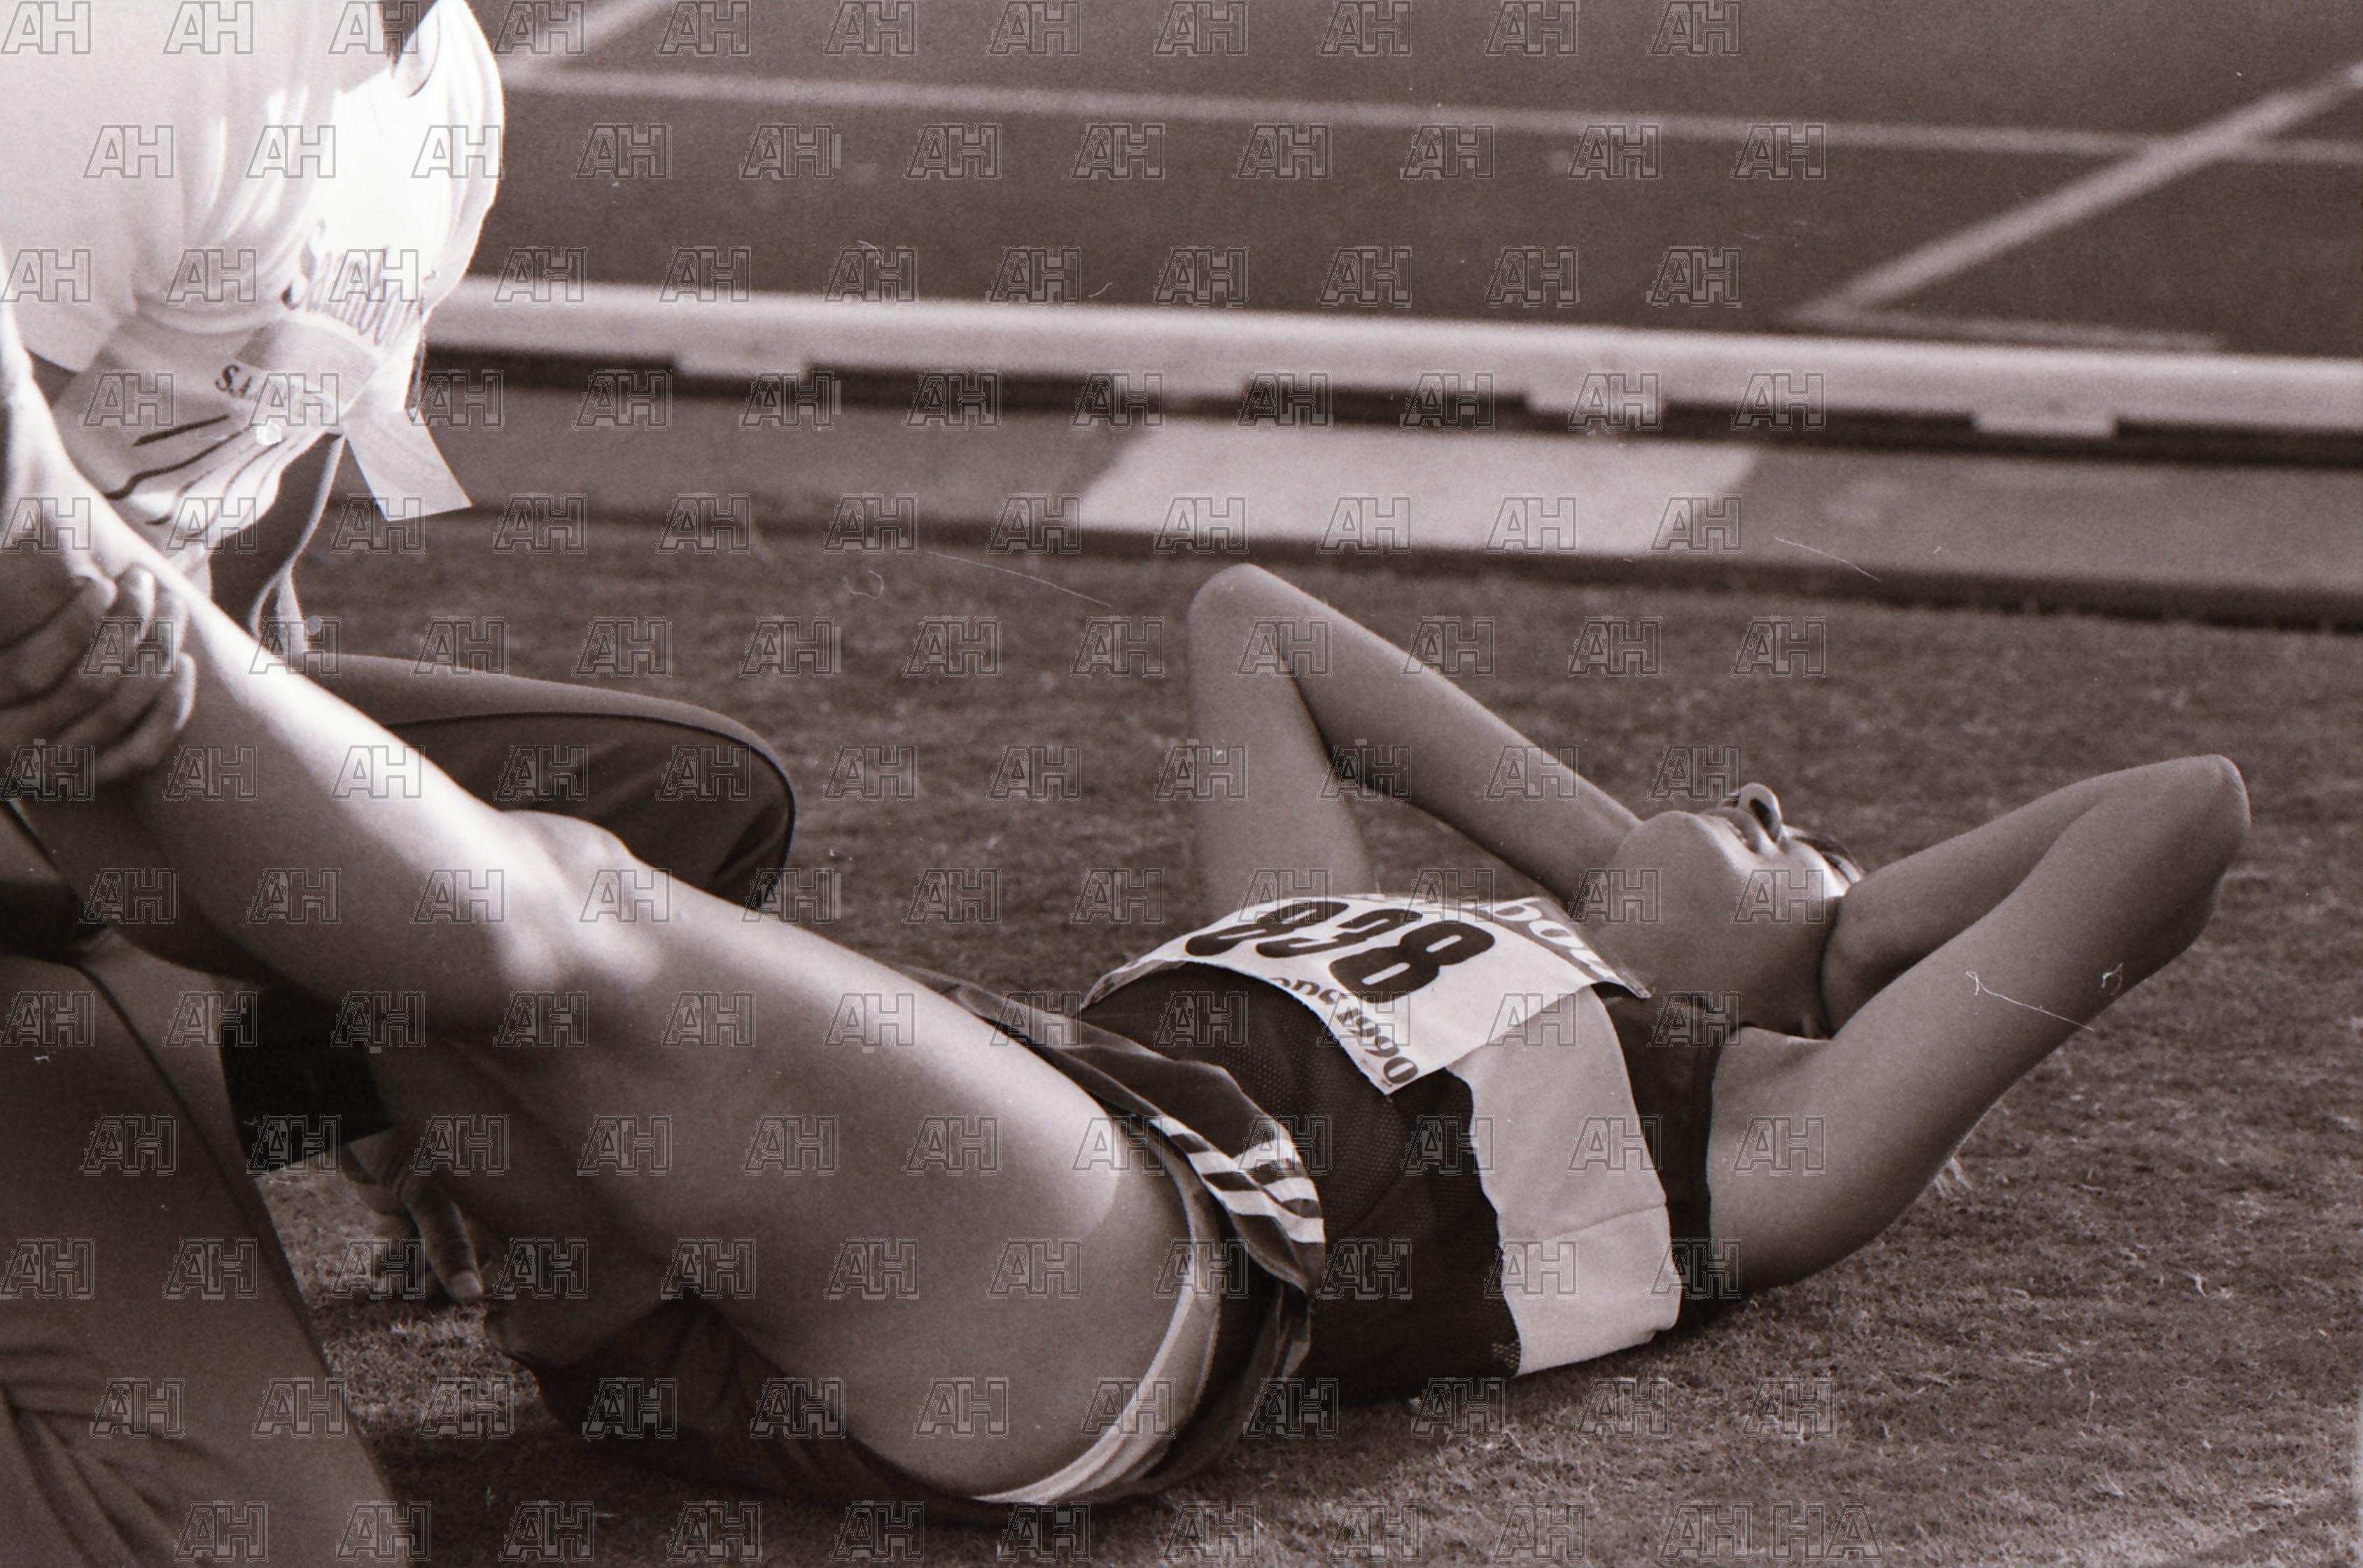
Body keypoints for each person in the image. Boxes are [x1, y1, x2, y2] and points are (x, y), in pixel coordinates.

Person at [4, 297, 2252, 1541]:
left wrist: (1824, 963)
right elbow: (1249, 616)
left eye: (1805, 843)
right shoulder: (1370, 949)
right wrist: (1645, 890)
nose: (1769, 801)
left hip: (1110, 1298)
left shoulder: (1753, 1146)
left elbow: (2181, 814)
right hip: (753, 1303)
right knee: (426, 942)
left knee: (567, 907)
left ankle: (51, 564)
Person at [0, 0, 796, 1301]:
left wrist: (321, 852)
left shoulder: (450, 84)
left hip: (148, 732)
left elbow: (273, 486)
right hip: (43, 735)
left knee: (696, 803)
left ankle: (187, 1103)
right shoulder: (135, 47)